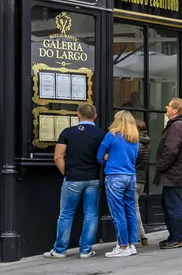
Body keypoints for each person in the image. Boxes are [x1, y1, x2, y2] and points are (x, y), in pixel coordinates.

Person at [43, 103, 104, 259]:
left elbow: (58, 157)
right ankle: (85, 250)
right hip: (93, 178)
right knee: (90, 215)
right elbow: (105, 157)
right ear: (94, 116)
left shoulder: (68, 132)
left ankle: (60, 250)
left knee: (66, 214)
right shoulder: (101, 134)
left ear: (78, 115)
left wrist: (67, 172)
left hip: (73, 178)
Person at [155, 98, 182, 249]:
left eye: (169, 105)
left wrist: (160, 166)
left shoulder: (177, 126)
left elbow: (171, 150)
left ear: (175, 110)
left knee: (173, 205)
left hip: (174, 173)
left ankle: (179, 238)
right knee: (171, 204)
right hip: (179, 172)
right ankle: (175, 236)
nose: (166, 107)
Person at [99, 111, 141, 258]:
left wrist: (105, 159)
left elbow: (99, 156)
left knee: (118, 212)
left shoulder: (112, 135)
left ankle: (122, 246)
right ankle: (131, 244)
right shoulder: (135, 138)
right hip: (131, 176)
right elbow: (134, 158)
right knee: (130, 210)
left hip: (115, 176)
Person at [134, 119, 151, 246]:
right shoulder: (146, 143)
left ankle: (137, 239)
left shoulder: (135, 143)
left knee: (133, 210)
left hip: (134, 178)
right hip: (141, 179)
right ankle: (142, 236)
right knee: (136, 208)